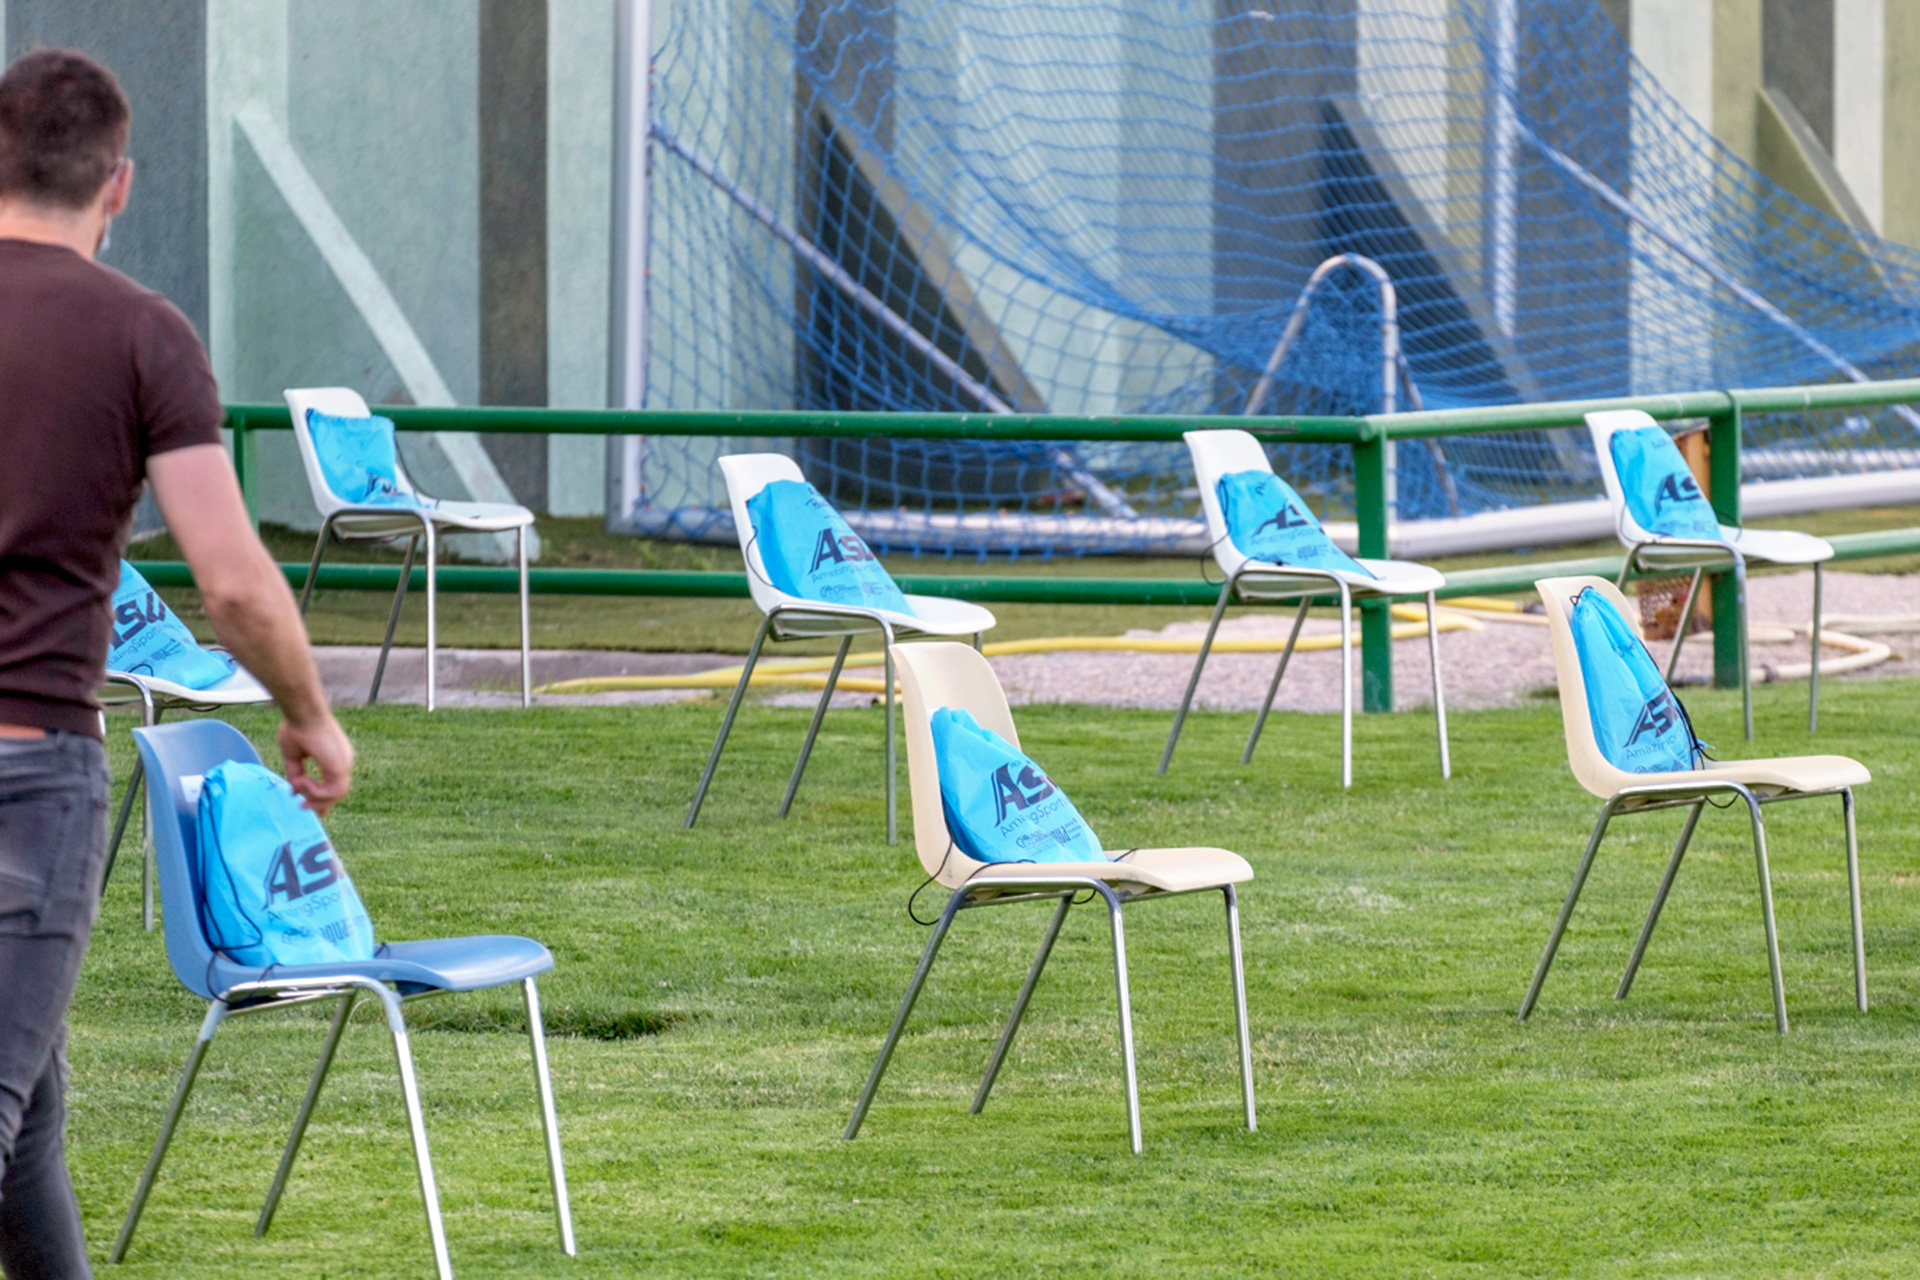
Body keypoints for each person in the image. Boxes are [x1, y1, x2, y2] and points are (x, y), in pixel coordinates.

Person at [0, 48, 352, 1278]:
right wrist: (309, 712)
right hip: (28, 774)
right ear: (119, 184)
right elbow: (236, 579)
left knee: (31, 1110)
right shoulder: (141, 335)